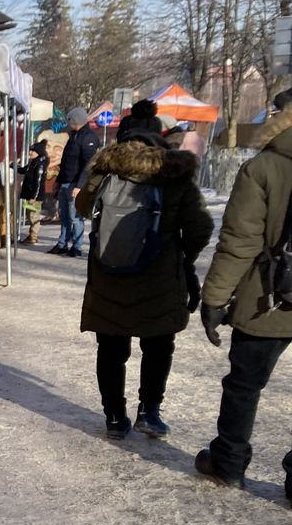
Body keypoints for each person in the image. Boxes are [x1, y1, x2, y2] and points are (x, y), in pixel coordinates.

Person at [75, 129, 213, 439]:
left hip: (108, 277)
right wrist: (181, 256)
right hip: (160, 279)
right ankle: (149, 412)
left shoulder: (106, 171)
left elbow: (83, 207)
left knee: (110, 349)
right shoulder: (174, 175)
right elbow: (201, 227)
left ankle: (114, 416)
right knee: (158, 346)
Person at [195, 104, 292, 495]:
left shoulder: (264, 167)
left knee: (244, 386)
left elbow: (240, 242)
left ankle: (228, 463)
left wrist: (215, 298)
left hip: (266, 297)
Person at [52, 107, 100, 256]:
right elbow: (67, 161)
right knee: (64, 216)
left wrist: (80, 186)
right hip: (66, 181)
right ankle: (62, 244)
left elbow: (89, 164)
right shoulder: (74, 136)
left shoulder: (88, 137)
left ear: (76, 121)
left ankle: (77, 246)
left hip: (76, 183)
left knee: (75, 217)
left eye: (70, 121)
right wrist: (58, 181)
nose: (68, 124)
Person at [16, 139, 49, 245]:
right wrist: (13, 166)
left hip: (34, 196)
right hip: (30, 193)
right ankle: (32, 235)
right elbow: (23, 170)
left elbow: (38, 181)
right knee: (29, 215)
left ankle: (33, 236)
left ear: (38, 152)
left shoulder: (39, 164)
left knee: (33, 216)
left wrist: (34, 196)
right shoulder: (33, 163)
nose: (30, 153)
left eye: (32, 151)